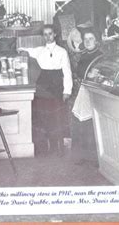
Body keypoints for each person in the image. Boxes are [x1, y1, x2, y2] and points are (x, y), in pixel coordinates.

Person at [19, 24, 72, 156]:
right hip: (43, 84)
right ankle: (44, 147)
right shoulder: (39, 50)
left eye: (50, 33)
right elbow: (23, 49)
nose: (48, 36)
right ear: (43, 36)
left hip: (56, 85)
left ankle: (56, 147)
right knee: (43, 116)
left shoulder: (62, 51)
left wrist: (67, 90)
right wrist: (21, 51)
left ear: (55, 34)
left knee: (56, 117)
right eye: (45, 34)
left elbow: (67, 72)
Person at [71, 26, 103, 162]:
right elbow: (78, 73)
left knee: (93, 124)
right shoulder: (83, 56)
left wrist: (94, 75)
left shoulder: (101, 56)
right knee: (81, 123)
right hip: (83, 91)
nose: (88, 41)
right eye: (86, 39)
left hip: (96, 92)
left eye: (91, 39)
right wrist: (85, 76)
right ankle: (83, 156)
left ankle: (96, 158)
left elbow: (103, 73)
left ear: (96, 41)